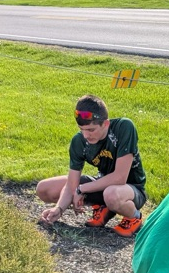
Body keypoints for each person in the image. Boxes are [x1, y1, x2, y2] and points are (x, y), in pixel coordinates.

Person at [37, 95, 147, 237]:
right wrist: (59, 209)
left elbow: (120, 177)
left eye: (91, 130)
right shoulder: (78, 141)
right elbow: (71, 185)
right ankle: (104, 208)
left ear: (105, 124)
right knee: (44, 189)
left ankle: (134, 217)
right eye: (81, 129)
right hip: (103, 185)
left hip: (131, 190)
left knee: (111, 194)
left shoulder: (124, 127)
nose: (85, 135)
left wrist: (81, 189)